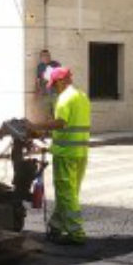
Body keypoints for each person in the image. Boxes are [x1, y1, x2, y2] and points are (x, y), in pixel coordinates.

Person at [30, 65, 91, 245]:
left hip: (65, 154)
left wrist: (36, 127)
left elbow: (61, 122)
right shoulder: (82, 97)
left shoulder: (65, 99)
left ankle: (76, 233)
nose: (54, 88)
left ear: (62, 81)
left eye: (55, 84)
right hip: (81, 153)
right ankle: (56, 226)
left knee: (65, 194)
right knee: (70, 193)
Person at [34, 49, 61, 120]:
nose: (46, 57)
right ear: (41, 58)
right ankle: (50, 130)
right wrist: (37, 91)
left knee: (57, 112)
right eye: (44, 56)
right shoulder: (40, 66)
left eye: (48, 55)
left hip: (55, 92)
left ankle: (58, 129)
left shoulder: (55, 64)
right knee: (47, 113)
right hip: (45, 93)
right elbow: (38, 79)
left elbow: (61, 76)